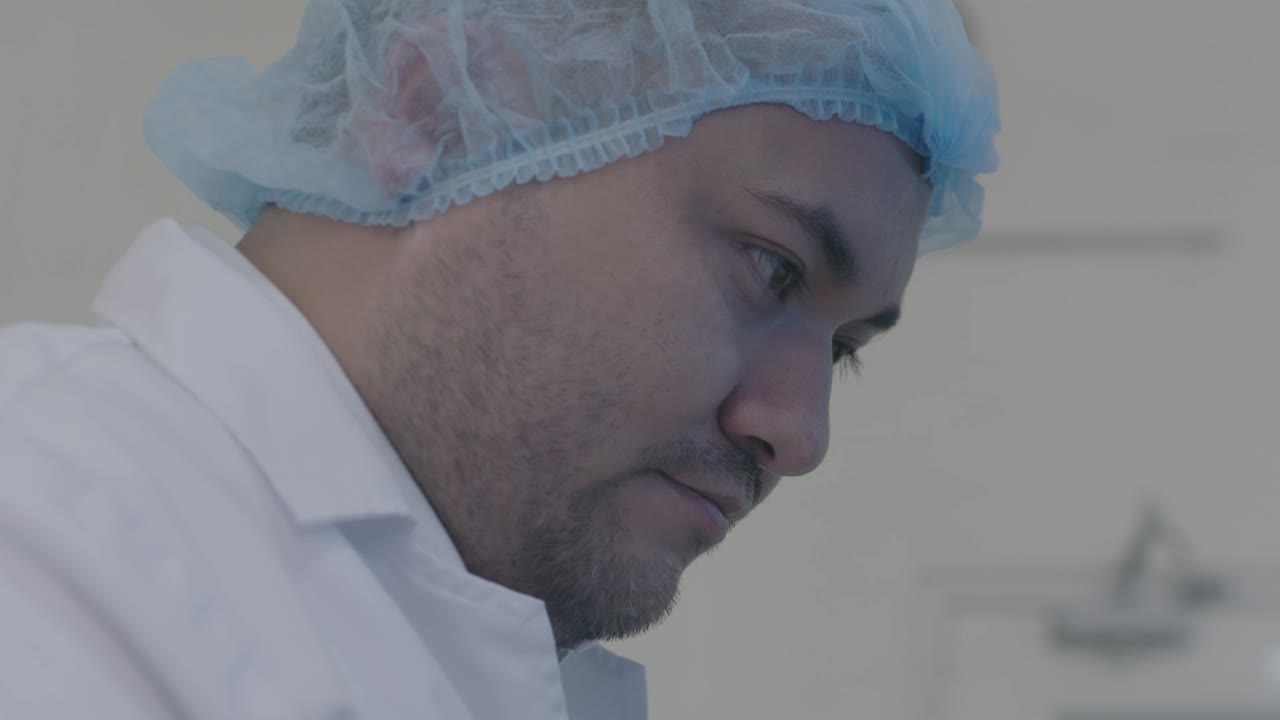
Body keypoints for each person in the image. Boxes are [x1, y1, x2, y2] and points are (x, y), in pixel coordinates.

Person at [0, 0, 999, 718]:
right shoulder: (50, 549)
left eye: (847, 350)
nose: (798, 434)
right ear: (430, 111)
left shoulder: (421, 631)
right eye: (772, 271)